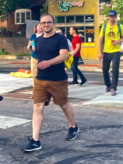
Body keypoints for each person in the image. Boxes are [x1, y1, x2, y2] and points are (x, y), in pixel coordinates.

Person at [22, 14, 79, 152]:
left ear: (53, 24)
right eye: (43, 23)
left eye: (49, 22)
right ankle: (35, 141)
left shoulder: (60, 38)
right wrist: (30, 47)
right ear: (39, 25)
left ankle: (73, 126)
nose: (46, 25)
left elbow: (64, 56)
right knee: (38, 107)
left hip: (58, 79)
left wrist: (49, 62)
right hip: (40, 79)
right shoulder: (38, 40)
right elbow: (36, 53)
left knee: (64, 104)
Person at [98, 10, 123, 96]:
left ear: (116, 17)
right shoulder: (104, 26)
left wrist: (118, 41)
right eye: (110, 16)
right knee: (105, 69)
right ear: (108, 17)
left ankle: (113, 88)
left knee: (115, 69)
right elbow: (100, 39)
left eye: (113, 16)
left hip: (116, 51)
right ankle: (108, 85)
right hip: (106, 51)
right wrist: (99, 52)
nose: (112, 18)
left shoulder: (120, 26)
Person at [27, 22, 43, 87]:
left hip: (42, 57)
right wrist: (29, 46)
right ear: (36, 28)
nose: (40, 27)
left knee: (42, 74)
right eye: (39, 26)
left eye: (41, 26)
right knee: (34, 73)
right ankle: (35, 89)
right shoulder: (33, 36)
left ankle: (42, 89)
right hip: (34, 56)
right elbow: (28, 46)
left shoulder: (45, 36)